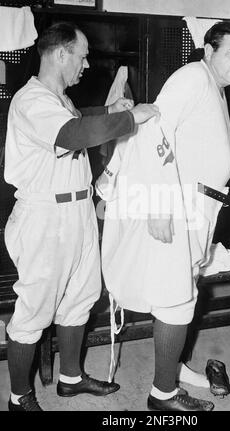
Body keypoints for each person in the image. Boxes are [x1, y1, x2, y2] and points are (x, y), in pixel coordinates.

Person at [97, 21, 230, 411]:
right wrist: (159, 204)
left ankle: (173, 367)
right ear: (209, 50)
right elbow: (151, 131)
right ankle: (162, 395)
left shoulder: (212, 84)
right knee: (176, 299)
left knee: (184, 292)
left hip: (198, 205)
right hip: (177, 203)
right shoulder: (192, 78)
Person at [4, 21, 158, 412]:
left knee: (81, 297)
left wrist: (108, 110)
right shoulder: (31, 100)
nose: (86, 64)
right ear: (60, 54)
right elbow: (72, 135)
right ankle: (19, 396)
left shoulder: (59, 98)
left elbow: (78, 118)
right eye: (82, 54)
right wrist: (130, 117)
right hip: (45, 216)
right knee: (35, 308)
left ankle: (70, 378)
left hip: (78, 210)